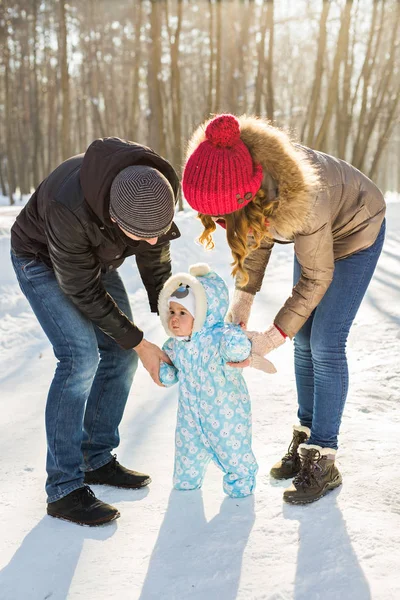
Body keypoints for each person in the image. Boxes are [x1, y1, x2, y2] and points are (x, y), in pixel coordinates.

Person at [181, 114, 386, 504]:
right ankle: (306, 435)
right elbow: (253, 238)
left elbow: (316, 278)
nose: (222, 224)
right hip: (320, 236)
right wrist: (242, 303)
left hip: (356, 229)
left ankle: (324, 456)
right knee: (304, 339)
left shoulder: (302, 200)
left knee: (325, 342)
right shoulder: (243, 176)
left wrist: (270, 338)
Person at [11, 136, 181, 525]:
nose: (154, 241)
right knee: (80, 358)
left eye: (160, 230)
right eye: (144, 234)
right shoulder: (68, 208)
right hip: (40, 258)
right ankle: (64, 489)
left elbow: (155, 259)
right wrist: (141, 341)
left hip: (91, 261)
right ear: (116, 220)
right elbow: (82, 290)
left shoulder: (150, 190)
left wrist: (170, 310)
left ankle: (96, 457)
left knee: (120, 352)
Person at [158, 263, 275, 497]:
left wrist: (236, 342)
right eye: (171, 312)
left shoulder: (222, 335)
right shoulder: (176, 346)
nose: (174, 319)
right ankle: (186, 480)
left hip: (226, 415)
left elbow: (239, 350)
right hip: (189, 418)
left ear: (204, 313)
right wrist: (166, 372)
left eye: (183, 313)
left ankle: (241, 479)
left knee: (232, 449)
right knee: (187, 451)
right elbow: (170, 368)